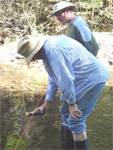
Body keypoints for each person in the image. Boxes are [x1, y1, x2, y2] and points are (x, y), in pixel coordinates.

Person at [17, 34, 110, 150]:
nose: (34, 59)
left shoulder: (53, 50)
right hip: (79, 81)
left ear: (36, 51)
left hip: (91, 80)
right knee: (65, 112)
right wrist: (46, 103)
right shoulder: (48, 49)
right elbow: (54, 79)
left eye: (32, 57)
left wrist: (72, 103)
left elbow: (65, 78)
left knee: (75, 121)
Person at [48, 1, 99, 148]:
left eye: (58, 14)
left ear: (67, 11)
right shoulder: (70, 26)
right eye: (56, 15)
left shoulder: (79, 24)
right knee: (65, 109)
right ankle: (68, 145)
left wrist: (83, 69)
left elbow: (93, 47)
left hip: (81, 74)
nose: (57, 18)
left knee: (75, 115)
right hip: (73, 74)